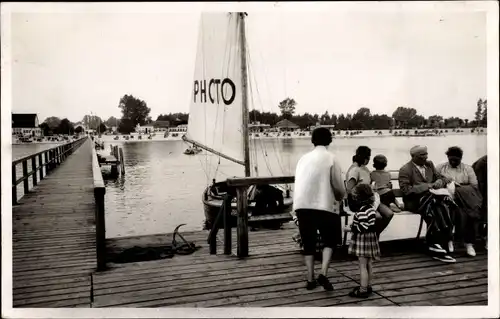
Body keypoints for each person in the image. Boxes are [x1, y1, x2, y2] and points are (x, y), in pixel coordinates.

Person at [293, 127, 346, 290]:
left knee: (308, 243)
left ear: (313, 140)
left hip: (302, 205)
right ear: (329, 140)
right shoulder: (332, 158)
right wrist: (341, 196)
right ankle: (323, 272)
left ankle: (310, 278)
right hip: (324, 206)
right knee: (331, 240)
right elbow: (338, 187)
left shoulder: (303, 159)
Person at [398, 145, 456, 263]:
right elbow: (406, 190)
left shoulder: (429, 164)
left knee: (437, 205)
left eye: (426, 154)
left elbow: (443, 178)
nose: (426, 157)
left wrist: (440, 181)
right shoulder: (405, 169)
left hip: (431, 200)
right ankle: (438, 242)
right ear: (413, 156)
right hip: (414, 201)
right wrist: (428, 186)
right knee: (436, 204)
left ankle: (435, 243)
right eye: (422, 155)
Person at [436, 147, 482, 257]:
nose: (453, 162)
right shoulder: (441, 168)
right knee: (448, 210)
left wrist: (457, 188)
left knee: (469, 213)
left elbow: (474, 186)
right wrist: (445, 183)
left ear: (461, 158)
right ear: (447, 157)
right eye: (451, 159)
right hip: (446, 198)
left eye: (456, 160)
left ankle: (469, 243)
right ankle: (448, 240)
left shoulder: (467, 169)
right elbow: (435, 181)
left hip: (464, 199)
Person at [345, 146, 394, 236]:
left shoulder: (365, 169)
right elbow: (349, 189)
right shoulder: (354, 170)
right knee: (377, 217)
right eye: (369, 157)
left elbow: (369, 185)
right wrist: (361, 197)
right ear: (365, 157)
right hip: (358, 202)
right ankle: (370, 237)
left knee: (389, 214)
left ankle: (373, 235)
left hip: (370, 200)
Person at [347, 184, 380, 298]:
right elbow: (370, 224)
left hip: (363, 240)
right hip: (371, 240)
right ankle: (368, 285)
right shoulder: (371, 209)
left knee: (362, 265)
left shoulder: (360, 211)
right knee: (369, 264)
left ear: (358, 198)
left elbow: (363, 227)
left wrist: (350, 228)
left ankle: (363, 289)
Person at [472, 155, 487, 249]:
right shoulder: (483, 162)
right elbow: (479, 183)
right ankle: (479, 234)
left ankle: (482, 234)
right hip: (480, 186)